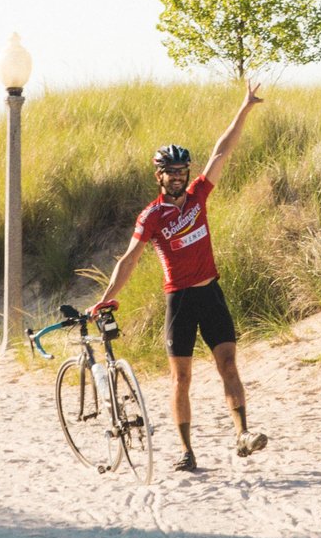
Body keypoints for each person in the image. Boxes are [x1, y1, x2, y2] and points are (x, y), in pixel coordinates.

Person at [92, 83, 268, 473]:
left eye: (181, 171)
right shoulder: (151, 217)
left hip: (211, 294)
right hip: (180, 301)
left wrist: (245, 107)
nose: (177, 177)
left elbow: (223, 150)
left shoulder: (198, 195)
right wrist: (107, 296)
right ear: (158, 175)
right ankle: (187, 450)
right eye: (170, 172)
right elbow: (130, 258)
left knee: (228, 365)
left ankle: (242, 434)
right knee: (181, 378)